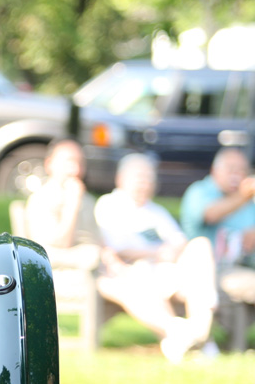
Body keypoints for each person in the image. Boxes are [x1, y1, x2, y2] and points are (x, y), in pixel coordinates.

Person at [94, 154, 217, 362]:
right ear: (121, 179)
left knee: (201, 246)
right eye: (140, 177)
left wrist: (169, 253)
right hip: (134, 271)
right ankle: (194, 341)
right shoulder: (109, 205)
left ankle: (199, 333)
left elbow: (180, 241)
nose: (145, 183)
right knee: (142, 274)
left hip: (168, 269)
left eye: (149, 178)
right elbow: (115, 248)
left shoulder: (156, 211)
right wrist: (156, 253)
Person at [180, 147, 255, 306]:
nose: (236, 175)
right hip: (206, 272)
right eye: (231, 169)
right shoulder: (199, 191)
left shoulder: (249, 202)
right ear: (215, 170)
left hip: (242, 266)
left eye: (242, 171)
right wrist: (244, 195)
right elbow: (211, 214)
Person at [23, 138, 101, 266]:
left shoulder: (87, 200)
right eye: (69, 162)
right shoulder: (41, 200)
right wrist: (72, 205)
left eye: (80, 163)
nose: (76, 170)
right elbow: (57, 247)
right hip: (63, 275)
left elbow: (98, 242)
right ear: (49, 164)